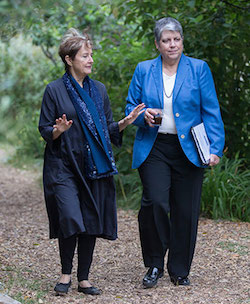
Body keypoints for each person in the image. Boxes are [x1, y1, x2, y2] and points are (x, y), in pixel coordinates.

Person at [38, 28, 144, 296]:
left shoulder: (99, 90)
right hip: (63, 165)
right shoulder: (54, 90)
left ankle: (83, 278)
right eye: (85, 55)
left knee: (89, 220)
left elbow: (106, 128)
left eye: (91, 55)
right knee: (70, 216)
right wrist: (58, 130)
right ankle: (65, 273)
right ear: (69, 59)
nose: (91, 60)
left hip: (93, 166)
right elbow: (45, 129)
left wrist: (123, 123)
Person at [125, 17, 225, 288]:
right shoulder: (144, 70)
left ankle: (179, 269)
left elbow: (211, 111)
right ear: (157, 44)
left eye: (176, 39)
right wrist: (142, 115)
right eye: (166, 40)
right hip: (154, 147)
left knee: (186, 210)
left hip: (190, 148)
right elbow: (130, 107)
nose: (172, 44)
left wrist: (214, 149)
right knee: (155, 203)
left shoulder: (199, 69)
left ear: (182, 41)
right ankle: (155, 264)